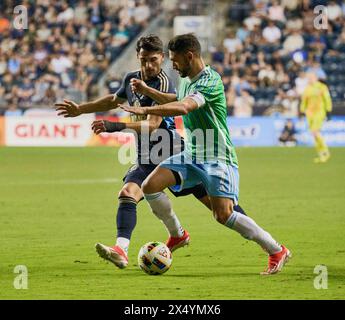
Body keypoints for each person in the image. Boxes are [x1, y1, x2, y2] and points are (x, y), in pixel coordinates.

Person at [55, 35, 249, 269]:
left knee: (222, 209)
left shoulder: (164, 83)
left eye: (154, 60)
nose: (149, 65)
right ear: (138, 57)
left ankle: (263, 240)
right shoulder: (131, 79)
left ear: (161, 59)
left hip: (174, 155)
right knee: (128, 193)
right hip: (147, 157)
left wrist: (115, 126)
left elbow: (153, 124)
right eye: (144, 60)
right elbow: (112, 100)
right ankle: (121, 250)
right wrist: (81, 109)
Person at [122, 34, 291, 275]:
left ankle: (276, 250)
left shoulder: (210, 81)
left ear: (189, 56)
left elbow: (184, 107)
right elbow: (177, 99)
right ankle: (177, 235)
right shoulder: (187, 79)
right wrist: (149, 90)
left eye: (175, 60)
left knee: (223, 215)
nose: (172, 66)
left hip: (217, 157)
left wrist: (145, 108)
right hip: (192, 153)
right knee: (150, 186)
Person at [300, 72, 332, 163]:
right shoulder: (307, 89)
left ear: (315, 78)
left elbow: (327, 99)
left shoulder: (322, 87)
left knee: (315, 131)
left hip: (319, 112)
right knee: (314, 134)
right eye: (308, 78)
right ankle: (321, 154)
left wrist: (328, 111)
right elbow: (304, 101)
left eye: (311, 77)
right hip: (309, 114)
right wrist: (302, 111)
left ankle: (325, 151)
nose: (309, 79)